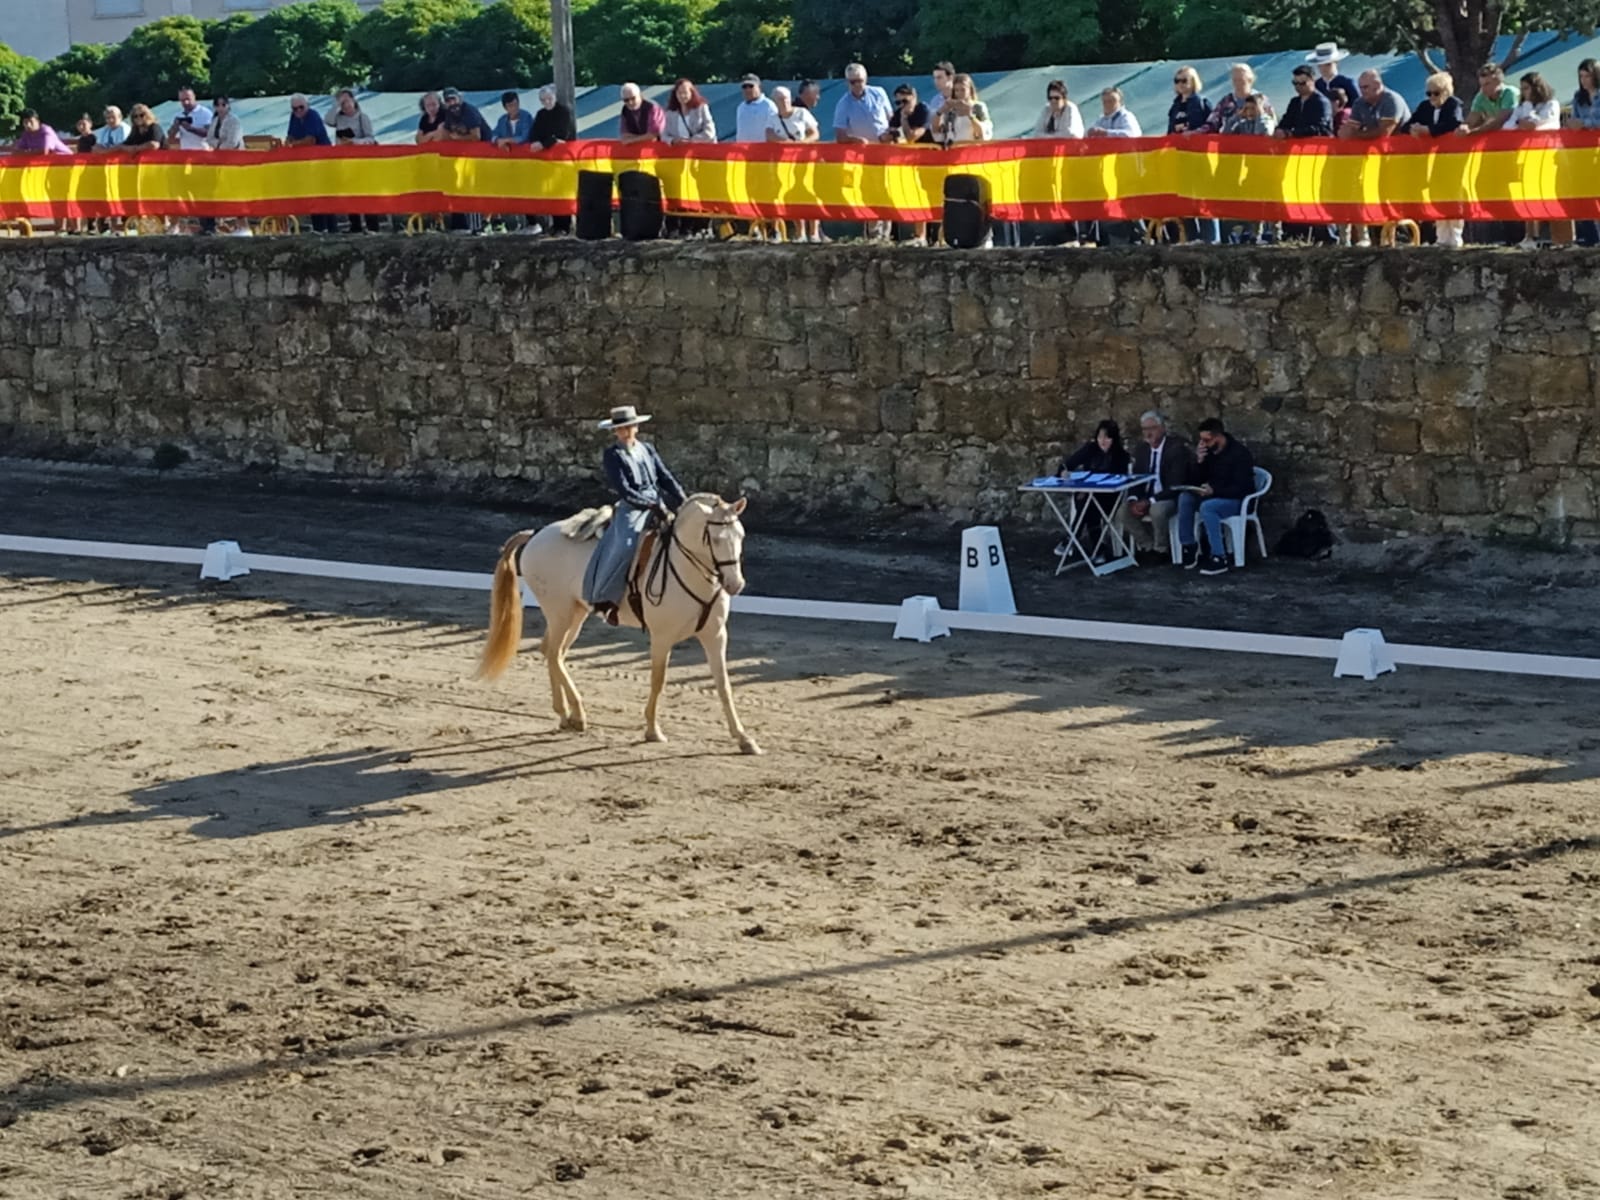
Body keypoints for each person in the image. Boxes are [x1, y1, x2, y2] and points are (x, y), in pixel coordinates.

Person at [582, 405, 687, 626]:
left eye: (629, 426)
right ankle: (605, 599)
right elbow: (625, 490)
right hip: (633, 507)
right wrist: (649, 506)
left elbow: (665, 477)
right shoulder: (613, 455)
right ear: (615, 432)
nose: (626, 431)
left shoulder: (647, 449)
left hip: (656, 502)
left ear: (636, 427)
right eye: (621, 428)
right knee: (626, 545)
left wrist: (684, 500)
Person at [1176, 418, 1257, 576]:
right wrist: (1199, 461)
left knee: (1208, 508)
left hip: (1236, 500)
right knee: (1185, 498)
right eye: (1202, 440)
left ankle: (1219, 556)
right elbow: (1195, 479)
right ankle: (1189, 545)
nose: (1204, 444)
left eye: (1207, 440)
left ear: (1218, 437)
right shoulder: (1210, 454)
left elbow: (1242, 487)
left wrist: (1215, 491)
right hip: (1213, 494)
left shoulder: (1240, 454)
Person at [1404, 72, 1466, 247]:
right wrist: (1413, 129)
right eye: (1429, 93)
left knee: (1452, 193)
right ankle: (1441, 236)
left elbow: (1453, 123)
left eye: (1436, 93)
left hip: (1451, 158)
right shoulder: (1425, 106)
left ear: (1446, 92)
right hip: (1431, 160)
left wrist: (1428, 131)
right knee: (1437, 193)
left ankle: (1455, 235)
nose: (1432, 97)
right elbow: (1407, 124)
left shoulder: (1454, 104)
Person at [1057, 420, 1132, 563]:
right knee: (1085, 502)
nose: (1102, 441)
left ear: (1114, 439)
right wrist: (1063, 472)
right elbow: (1068, 463)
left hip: (1109, 497)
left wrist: (1089, 489)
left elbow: (1116, 480)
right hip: (1087, 495)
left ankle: (1072, 538)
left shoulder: (1121, 456)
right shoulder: (1090, 449)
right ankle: (1098, 549)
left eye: (1107, 438)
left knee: (1087, 503)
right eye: (1100, 437)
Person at [1121, 412, 1194, 557]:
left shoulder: (1175, 449)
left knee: (1157, 510)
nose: (1148, 433)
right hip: (1146, 496)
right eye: (1144, 429)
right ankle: (1146, 546)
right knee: (1122, 512)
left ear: (1162, 428)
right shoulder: (1142, 450)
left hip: (1168, 496)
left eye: (1152, 428)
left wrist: (1150, 501)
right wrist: (1133, 499)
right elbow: (1136, 478)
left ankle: (1161, 549)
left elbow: (1175, 484)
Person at [1508, 72, 1561, 249]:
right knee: (1527, 195)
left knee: (1549, 195)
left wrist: (1528, 122)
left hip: (1546, 156)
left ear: (1536, 87)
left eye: (1526, 88)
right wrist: (1524, 115)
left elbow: (1545, 123)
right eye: (1522, 89)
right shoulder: (1522, 106)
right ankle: (1530, 236)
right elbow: (1509, 125)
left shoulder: (1551, 104)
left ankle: (1559, 238)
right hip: (1526, 155)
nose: (1523, 92)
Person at [1554, 60, 1600, 248]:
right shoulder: (1578, 97)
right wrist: (1575, 125)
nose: (1584, 80)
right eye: (1581, 76)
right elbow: (1574, 118)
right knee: (1586, 193)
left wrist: (1585, 124)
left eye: (1587, 76)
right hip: (1584, 153)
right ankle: (1591, 237)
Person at [767, 87, 821, 242]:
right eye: (779, 99)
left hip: (805, 161)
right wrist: (785, 143)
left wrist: (801, 144)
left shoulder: (802, 113)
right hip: (784, 164)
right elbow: (769, 134)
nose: (783, 102)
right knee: (791, 195)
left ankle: (814, 233)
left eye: (785, 98)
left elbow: (815, 133)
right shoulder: (772, 117)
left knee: (810, 194)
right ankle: (800, 232)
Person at [663, 79, 716, 238]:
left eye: (686, 92)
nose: (683, 96)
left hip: (700, 159)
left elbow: (710, 132)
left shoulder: (701, 108)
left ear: (692, 92)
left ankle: (701, 227)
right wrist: (673, 141)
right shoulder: (670, 113)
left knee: (700, 191)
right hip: (678, 160)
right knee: (680, 191)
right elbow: (663, 134)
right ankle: (680, 228)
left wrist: (691, 142)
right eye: (679, 93)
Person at [285, 95, 335, 233]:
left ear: (307, 105)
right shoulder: (293, 117)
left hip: (322, 162)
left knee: (325, 197)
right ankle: (318, 229)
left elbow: (310, 140)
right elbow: (290, 135)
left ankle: (331, 230)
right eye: (295, 108)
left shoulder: (313, 116)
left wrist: (292, 145)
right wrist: (288, 142)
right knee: (312, 196)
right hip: (307, 164)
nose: (298, 111)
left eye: (301, 107)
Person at [532, 86, 577, 235]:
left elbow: (561, 135)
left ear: (554, 97)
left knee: (563, 190)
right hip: (546, 161)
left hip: (562, 159)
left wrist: (544, 143)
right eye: (543, 100)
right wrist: (542, 142)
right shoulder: (541, 114)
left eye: (549, 98)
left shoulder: (563, 112)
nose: (547, 102)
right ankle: (555, 224)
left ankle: (564, 226)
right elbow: (535, 134)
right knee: (550, 191)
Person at [1201, 64, 1271, 134]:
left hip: (1257, 143)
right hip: (1230, 143)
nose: (1238, 84)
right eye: (1235, 80)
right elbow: (1212, 123)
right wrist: (1195, 132)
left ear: (1250, 80)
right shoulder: (1226, 101)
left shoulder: (1261, 100)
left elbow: (1270, 126)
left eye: (1241, 80)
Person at [833, 62, 892, 145]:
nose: (857, 85)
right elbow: (840, 136)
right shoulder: (843, 104)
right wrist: (855, 140)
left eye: (860, 81)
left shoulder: (879, 93)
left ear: (866, 79)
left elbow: (891, 118)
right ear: (847, 82)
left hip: (885, 147)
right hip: (861, 152)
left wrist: (890, 134)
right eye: (853, 82)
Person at [933, 73, 992, 146]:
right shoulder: (950, 109)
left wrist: (970, 116)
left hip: (972, 150)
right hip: (954, 150)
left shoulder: (978, 107)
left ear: (969, 89)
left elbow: (983, 133)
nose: (959, 93)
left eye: (963, 90)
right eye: (956, 90)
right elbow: (937, 132)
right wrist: (940, 112)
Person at [1461, 62, 1516, 135]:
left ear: (1498, 81)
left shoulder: (1509, 93)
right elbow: (1471, 120)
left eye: (1487, 84)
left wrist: (1472, 133)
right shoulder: (1481, 96)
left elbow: (1500, 121)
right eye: (1481, 85)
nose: (1483, 89)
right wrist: (1463, 127)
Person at [1305, 43, 1358, 110]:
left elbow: (1359, 109)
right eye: (1320, 64)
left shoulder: (1348, 83)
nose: (1323, 68)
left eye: (1328, 64)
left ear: (1336, 62)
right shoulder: (1316, 86)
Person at [167, 85, 212, 151]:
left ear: (194, 96)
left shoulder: (205, 113)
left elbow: (209, 134)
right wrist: (174, 128)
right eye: (182, 100)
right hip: (186, 154)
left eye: (188, 99)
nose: (186, 102)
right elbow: (170, 139)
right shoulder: (179, 115)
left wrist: (190, 129)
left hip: (203, 153)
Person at [1168, 66, 1211, 134]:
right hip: (1177, 143)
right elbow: (1170, 131)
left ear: (1193, 81)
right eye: (1177, 81)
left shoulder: (1202, 102)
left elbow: (1211, 126)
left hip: (1198, 142)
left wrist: (1187, 127)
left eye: (1184, 81)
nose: (1180, 84)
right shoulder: (1175, 106)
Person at [735, 74, 777, 142]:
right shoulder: (741, 107)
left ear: (759, 87)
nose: (747, 89)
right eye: (744, 87)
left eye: (751, 86)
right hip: (743, 150)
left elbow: (774, 129)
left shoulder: (768, 105)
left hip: (762, 149)